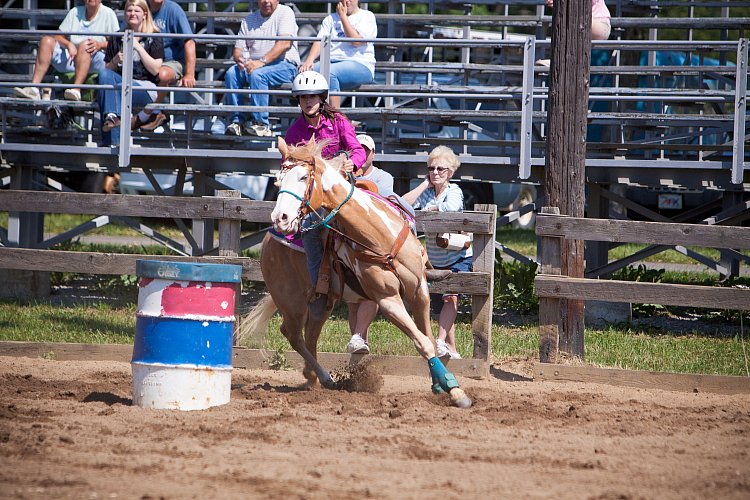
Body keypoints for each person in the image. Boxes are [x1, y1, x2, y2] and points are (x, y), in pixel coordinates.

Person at [284, 70, 366, 318]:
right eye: (303, 97)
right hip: (315, 194)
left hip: (341, 185)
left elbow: (356, 149)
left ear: (322, 97)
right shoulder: (294, 131)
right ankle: (319, 288)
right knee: (310, 230)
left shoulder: (339, 121)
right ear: (298, 101)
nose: (308, 101)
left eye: (312, 96)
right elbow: (288, 163)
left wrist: (353, 162)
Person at [403, 146, 472, 360]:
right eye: (431, 168)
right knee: (440, 304)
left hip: (457, 256)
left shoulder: (454, 190)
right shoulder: (427, 193)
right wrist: (425, 184)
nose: (435, 172)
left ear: (450, 172)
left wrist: (430, 211)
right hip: (434, 259)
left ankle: (439, 341)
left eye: (440, 169)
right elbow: (404, 204)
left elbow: (451, 209)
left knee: (450, 298)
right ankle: (450, 349)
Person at [345, 133, 394, 355]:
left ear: (373, 154)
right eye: (358, 150)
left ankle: (358, 337)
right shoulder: (345, 173)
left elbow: (379, 201)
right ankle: (359, 339)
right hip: (350, 241)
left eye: (366, 150)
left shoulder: (383, 177)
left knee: (371, 292)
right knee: (353, 298)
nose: (362, 154)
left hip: (374, 244)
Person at [13, 0, 119, 101]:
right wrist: (69, 44)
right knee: (46, 41)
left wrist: (99, 44)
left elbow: (116, 42)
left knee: (85, 44)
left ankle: (76, 90)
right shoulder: (74, 12)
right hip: (73, 57)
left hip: (96, 59)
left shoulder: (108, 14)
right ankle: (34, 88)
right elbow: (58, 35)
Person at [224, 0, 300, 137]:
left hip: (285, 65)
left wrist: (261, 62)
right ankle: (237, 122)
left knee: (258, 75)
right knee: (231, 73)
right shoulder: (249, 20)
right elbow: (238, 49)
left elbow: (284, 44)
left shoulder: (285, 12)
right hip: (255, 64)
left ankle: (261, 124)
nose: (266, 1)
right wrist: (240, 59)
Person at [96, 0, 163, 144]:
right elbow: (107, 71)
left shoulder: (154, 36)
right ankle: (113, 118)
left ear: (144, 14)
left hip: (145, 87)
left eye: (136, 11)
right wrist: (115, 60)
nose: (132, 14)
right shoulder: (116, 37)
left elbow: (156, 69)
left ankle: (111, 142)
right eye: (129, 10)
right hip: (121, 83)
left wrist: (138, 47)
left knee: (111, 91)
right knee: (104, 76)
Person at [298, 0, 376, 109]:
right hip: (332, 62)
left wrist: (343, 17)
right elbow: (320, 41)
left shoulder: (367, 16)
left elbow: (356, 42)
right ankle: (312, 117)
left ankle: (334, 119)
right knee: (306, 74)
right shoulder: (330, 18)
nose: (346, 2)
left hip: (360, 64)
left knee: (329, 73)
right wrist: (309, 60)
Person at [132, 0, 197, 131]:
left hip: (170, 61)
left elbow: (189, 42)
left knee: (161, 74)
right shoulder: (138, 7)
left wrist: (190, 74)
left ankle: (148, 114)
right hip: (143, 61)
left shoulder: (174, 10)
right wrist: (99, 44)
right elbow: (121, 35)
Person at [539, 0, 611, 66]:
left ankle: (559, 59)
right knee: (568, 20)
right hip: (588, 25)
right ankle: (558, 59)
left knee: (574, 19)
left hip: (599, 24)